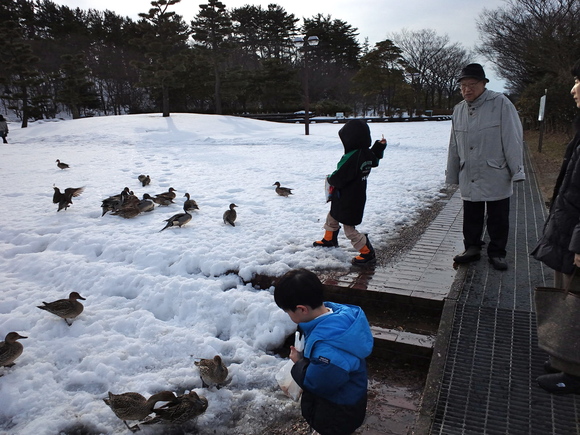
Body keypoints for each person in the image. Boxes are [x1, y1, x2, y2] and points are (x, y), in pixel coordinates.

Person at [274, 268, 373, 435]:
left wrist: (299, 363)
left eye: (288, 312)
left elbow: (318, 382)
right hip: (350, 397)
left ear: (302, 309)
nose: (288, 316)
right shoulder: (338, 315)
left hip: (337, 411)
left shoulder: (328, 348)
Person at [446, 63, 525, 271]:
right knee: (471, 213)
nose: (467, 89)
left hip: (495, 170)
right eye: (463, 85)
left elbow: (512, 139)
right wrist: (453, 174)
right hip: (469, 171)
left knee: (498, 215)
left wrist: (517, 170)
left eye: (472, 84)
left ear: (483, 84)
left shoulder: (500, 104)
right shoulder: (458, 110)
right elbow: (454, 144)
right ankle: (472, 247)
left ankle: (497, 252)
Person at [531, 58, 580, 395]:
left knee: (576, 298)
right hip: (570, 228)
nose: (574, 89)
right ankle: (565, 359)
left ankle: (574, 373)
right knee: (569, 294)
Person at [313, 119, 387, 265]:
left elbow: (341, 176)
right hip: (354, 196)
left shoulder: (353, 157)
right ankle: (329, 239)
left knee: (349, 228)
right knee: (333, 216)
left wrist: (331, 179)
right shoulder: (364, 153)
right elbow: (374, 160)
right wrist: (379, 147)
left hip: (348, 198)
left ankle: (367, 253)